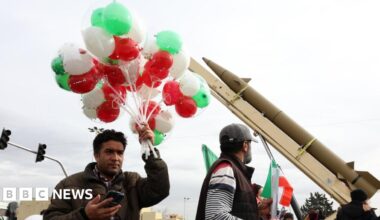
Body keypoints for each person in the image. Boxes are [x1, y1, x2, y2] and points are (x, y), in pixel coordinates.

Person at [43, 126, 170, 220]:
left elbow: (160, 189)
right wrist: (84, 215)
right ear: (96, 155)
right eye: (109, 152)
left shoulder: (132, 181)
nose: (116, 158)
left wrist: (150, 151)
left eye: (120, 153)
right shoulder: (68, 185)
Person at [196, 123, 261, 220]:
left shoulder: (231, 169)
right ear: (245, 145)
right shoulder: (226, 169)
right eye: (250, 143)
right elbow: (216, 216)